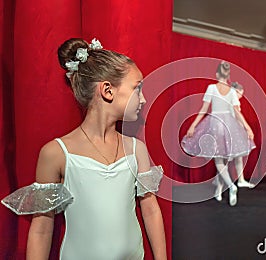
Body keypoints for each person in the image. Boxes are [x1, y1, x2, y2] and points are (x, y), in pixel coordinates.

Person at [2, 38, 167, 259]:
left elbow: (150, 209)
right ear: (108, 90)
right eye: (137, 88)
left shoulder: (137, 150)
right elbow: (42, 228)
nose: (144, 99)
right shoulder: (57, 153)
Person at [181, 61, 256, 206]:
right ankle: (220, 190)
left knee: (219, 160)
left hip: (215, 123)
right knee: (224, 158)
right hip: (229, 126)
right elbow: (236, 111)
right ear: (228, 76)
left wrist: (193, 126)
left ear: (216, 74)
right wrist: (247, 127)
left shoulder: (211, 88)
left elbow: (203, 109)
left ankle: (230, 186)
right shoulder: (232, 91)